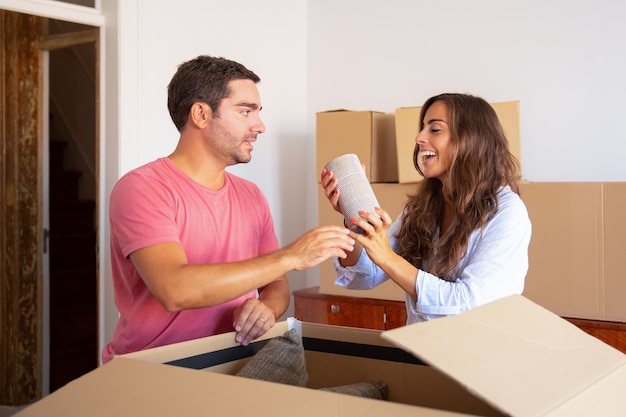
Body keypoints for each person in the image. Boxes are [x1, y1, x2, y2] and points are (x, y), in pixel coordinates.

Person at [102, 55, 354, 363]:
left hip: (232, 361)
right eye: (245, 111)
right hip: (151, 368)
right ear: (201, 114)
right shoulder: (143, 188)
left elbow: (275, 284)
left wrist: (267, 308)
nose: (259, 126)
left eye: (258, 112)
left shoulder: (252, 196)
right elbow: (175, 290)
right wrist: (291, 256)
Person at [320, 93, 531, 324]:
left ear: (471, 139)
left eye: (435, 129)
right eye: (422, 128)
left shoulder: (508, 213)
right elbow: (366, 276)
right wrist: (352, 214)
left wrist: (389, 258)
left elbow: (467, 304)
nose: (419, 138)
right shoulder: (421, 209)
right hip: (421, 352)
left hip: (478, 356)